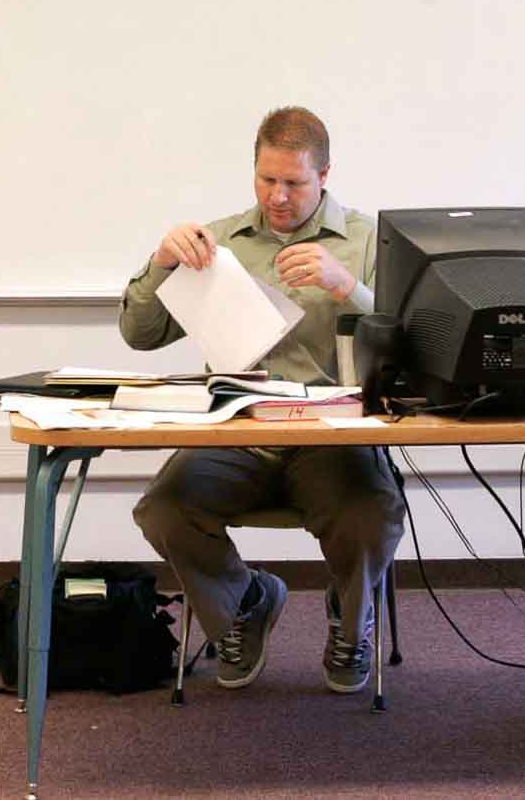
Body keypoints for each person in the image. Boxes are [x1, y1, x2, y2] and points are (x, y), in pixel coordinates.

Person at [120, 106, 405, 694]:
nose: (278, 197)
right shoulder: (218, 241)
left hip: (330, 437)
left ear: (324, 176)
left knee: (371, 515)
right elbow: (141, 335)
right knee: (163, 509)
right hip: (238, 434)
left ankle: (350, 623)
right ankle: (244, 601)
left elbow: (418, 335)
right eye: (266, 179)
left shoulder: (369, 239)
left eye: (295, 183)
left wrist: (348, 288)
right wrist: (161, 263)